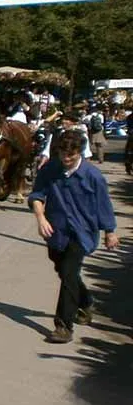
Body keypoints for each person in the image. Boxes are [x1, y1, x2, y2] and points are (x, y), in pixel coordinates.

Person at [27, 130, 118, 343]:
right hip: (56, 231)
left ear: (80, 152)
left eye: (72, 156)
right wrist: (40, 218)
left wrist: (110, 231)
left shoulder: (93, 176)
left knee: (68, 274)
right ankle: (85, 302)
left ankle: (63, 327)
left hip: (83, 232)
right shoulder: (50, 169)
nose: (66, 160)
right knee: (64, 271)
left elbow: (104, 205)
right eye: (62, 155)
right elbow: (37, 195)